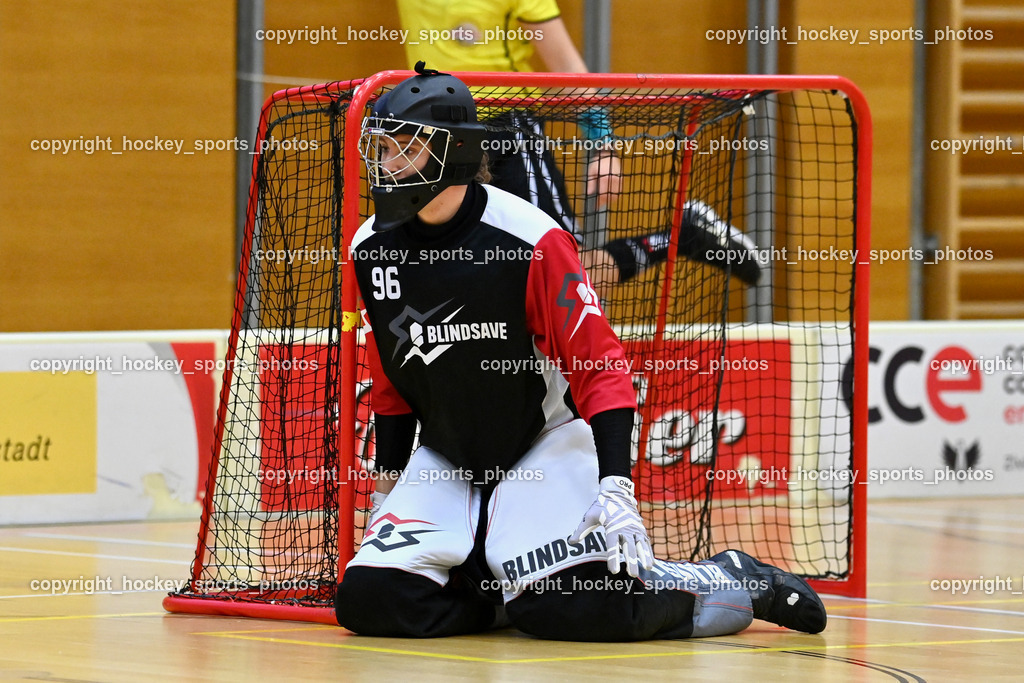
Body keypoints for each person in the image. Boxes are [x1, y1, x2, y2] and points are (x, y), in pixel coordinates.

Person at [333, 66, 825, 641]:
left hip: (542, 445)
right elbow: (393, 380)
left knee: (578, 608)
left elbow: (602, 368)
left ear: (456, 153)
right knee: (369, 602)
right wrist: (389, 482)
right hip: (447, 455)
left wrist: (616, 485)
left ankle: (728, 578)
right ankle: (502, 595)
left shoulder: (531, 240)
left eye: (404, 147)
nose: (386, 163)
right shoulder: (370, 246)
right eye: (382, 147)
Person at [393, 0, 762, 298]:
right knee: (447, 262)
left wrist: (603, 146)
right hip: (436, 138)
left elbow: (567, 67)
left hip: (507, 135)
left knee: (567, 269)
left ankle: (682, 238)